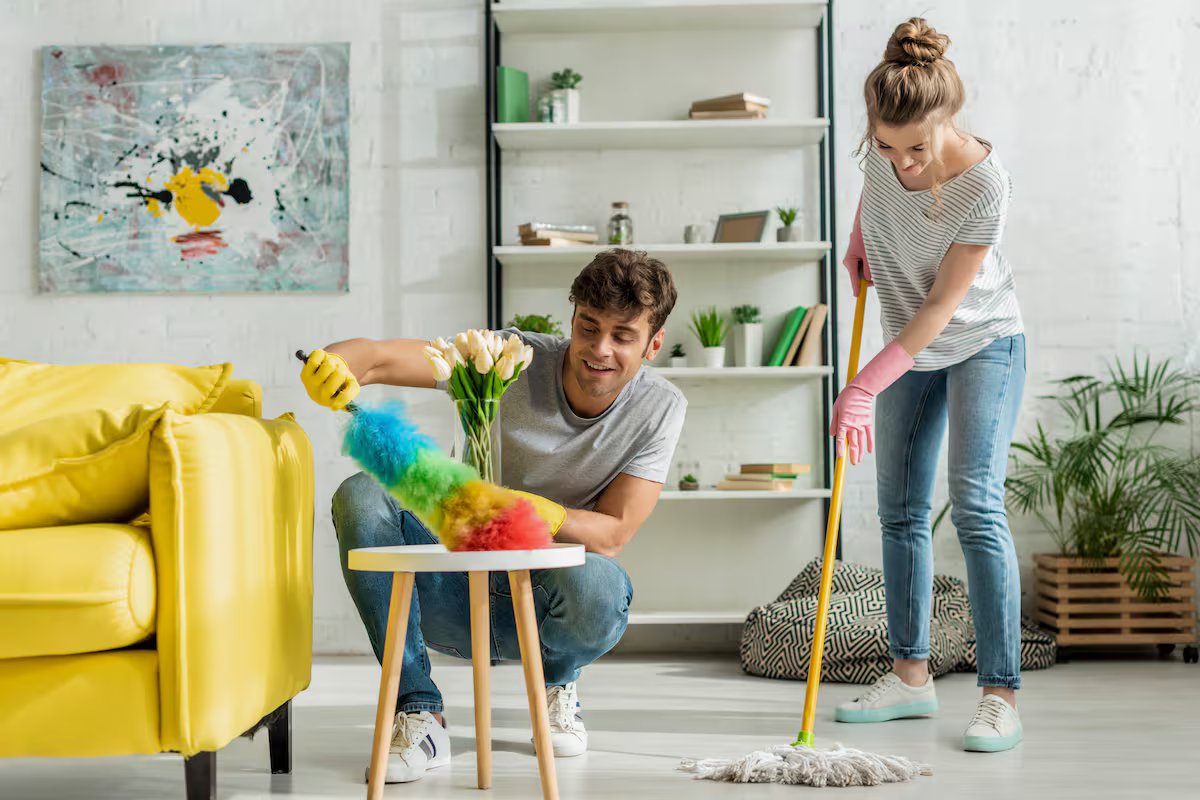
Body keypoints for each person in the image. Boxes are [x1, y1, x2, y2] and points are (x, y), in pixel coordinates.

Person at [300, 248, 687, 782]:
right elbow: (380, 356)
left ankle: (559, 681)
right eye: (588, 326)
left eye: (623, 335)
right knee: (361, 493)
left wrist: (533, 511)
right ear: (571, 318)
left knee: (601, 586)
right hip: (453, 586)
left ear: (653, 343)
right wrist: (335, 364)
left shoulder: (660, 407)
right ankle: (417, 711)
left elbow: (614, 532)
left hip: (549, 603)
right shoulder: (510, 358)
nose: (599, 349)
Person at [829, 18, 1027, 753]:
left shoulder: (984, 183)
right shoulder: (885, 147)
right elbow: (876, 193)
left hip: (980, 344)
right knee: (900, 510)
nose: (904, 163)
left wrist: (861, 389)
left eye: (918, 149)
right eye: (887, 146)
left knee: (974, 505)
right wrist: (859, 237)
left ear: (948, 121)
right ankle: (910, 678)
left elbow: (943, 306)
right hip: (908, 343)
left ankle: (1000, 694)